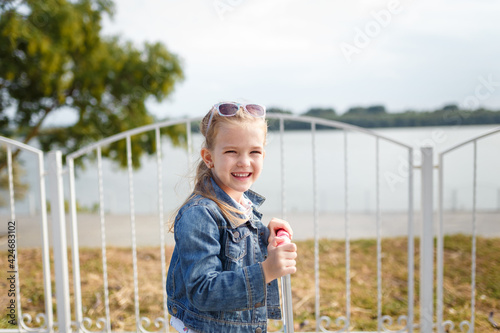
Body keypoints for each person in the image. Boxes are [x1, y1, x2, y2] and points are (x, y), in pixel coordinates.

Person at [166, 102, 297, 333]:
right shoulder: (199, 213)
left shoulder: (243, 204)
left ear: (263, 155)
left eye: (254, 152)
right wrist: (266, 271)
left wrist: (266, 237)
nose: (244, 161)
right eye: (231, 151)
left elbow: (238, 252)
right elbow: (202, 291)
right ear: (209, 158)